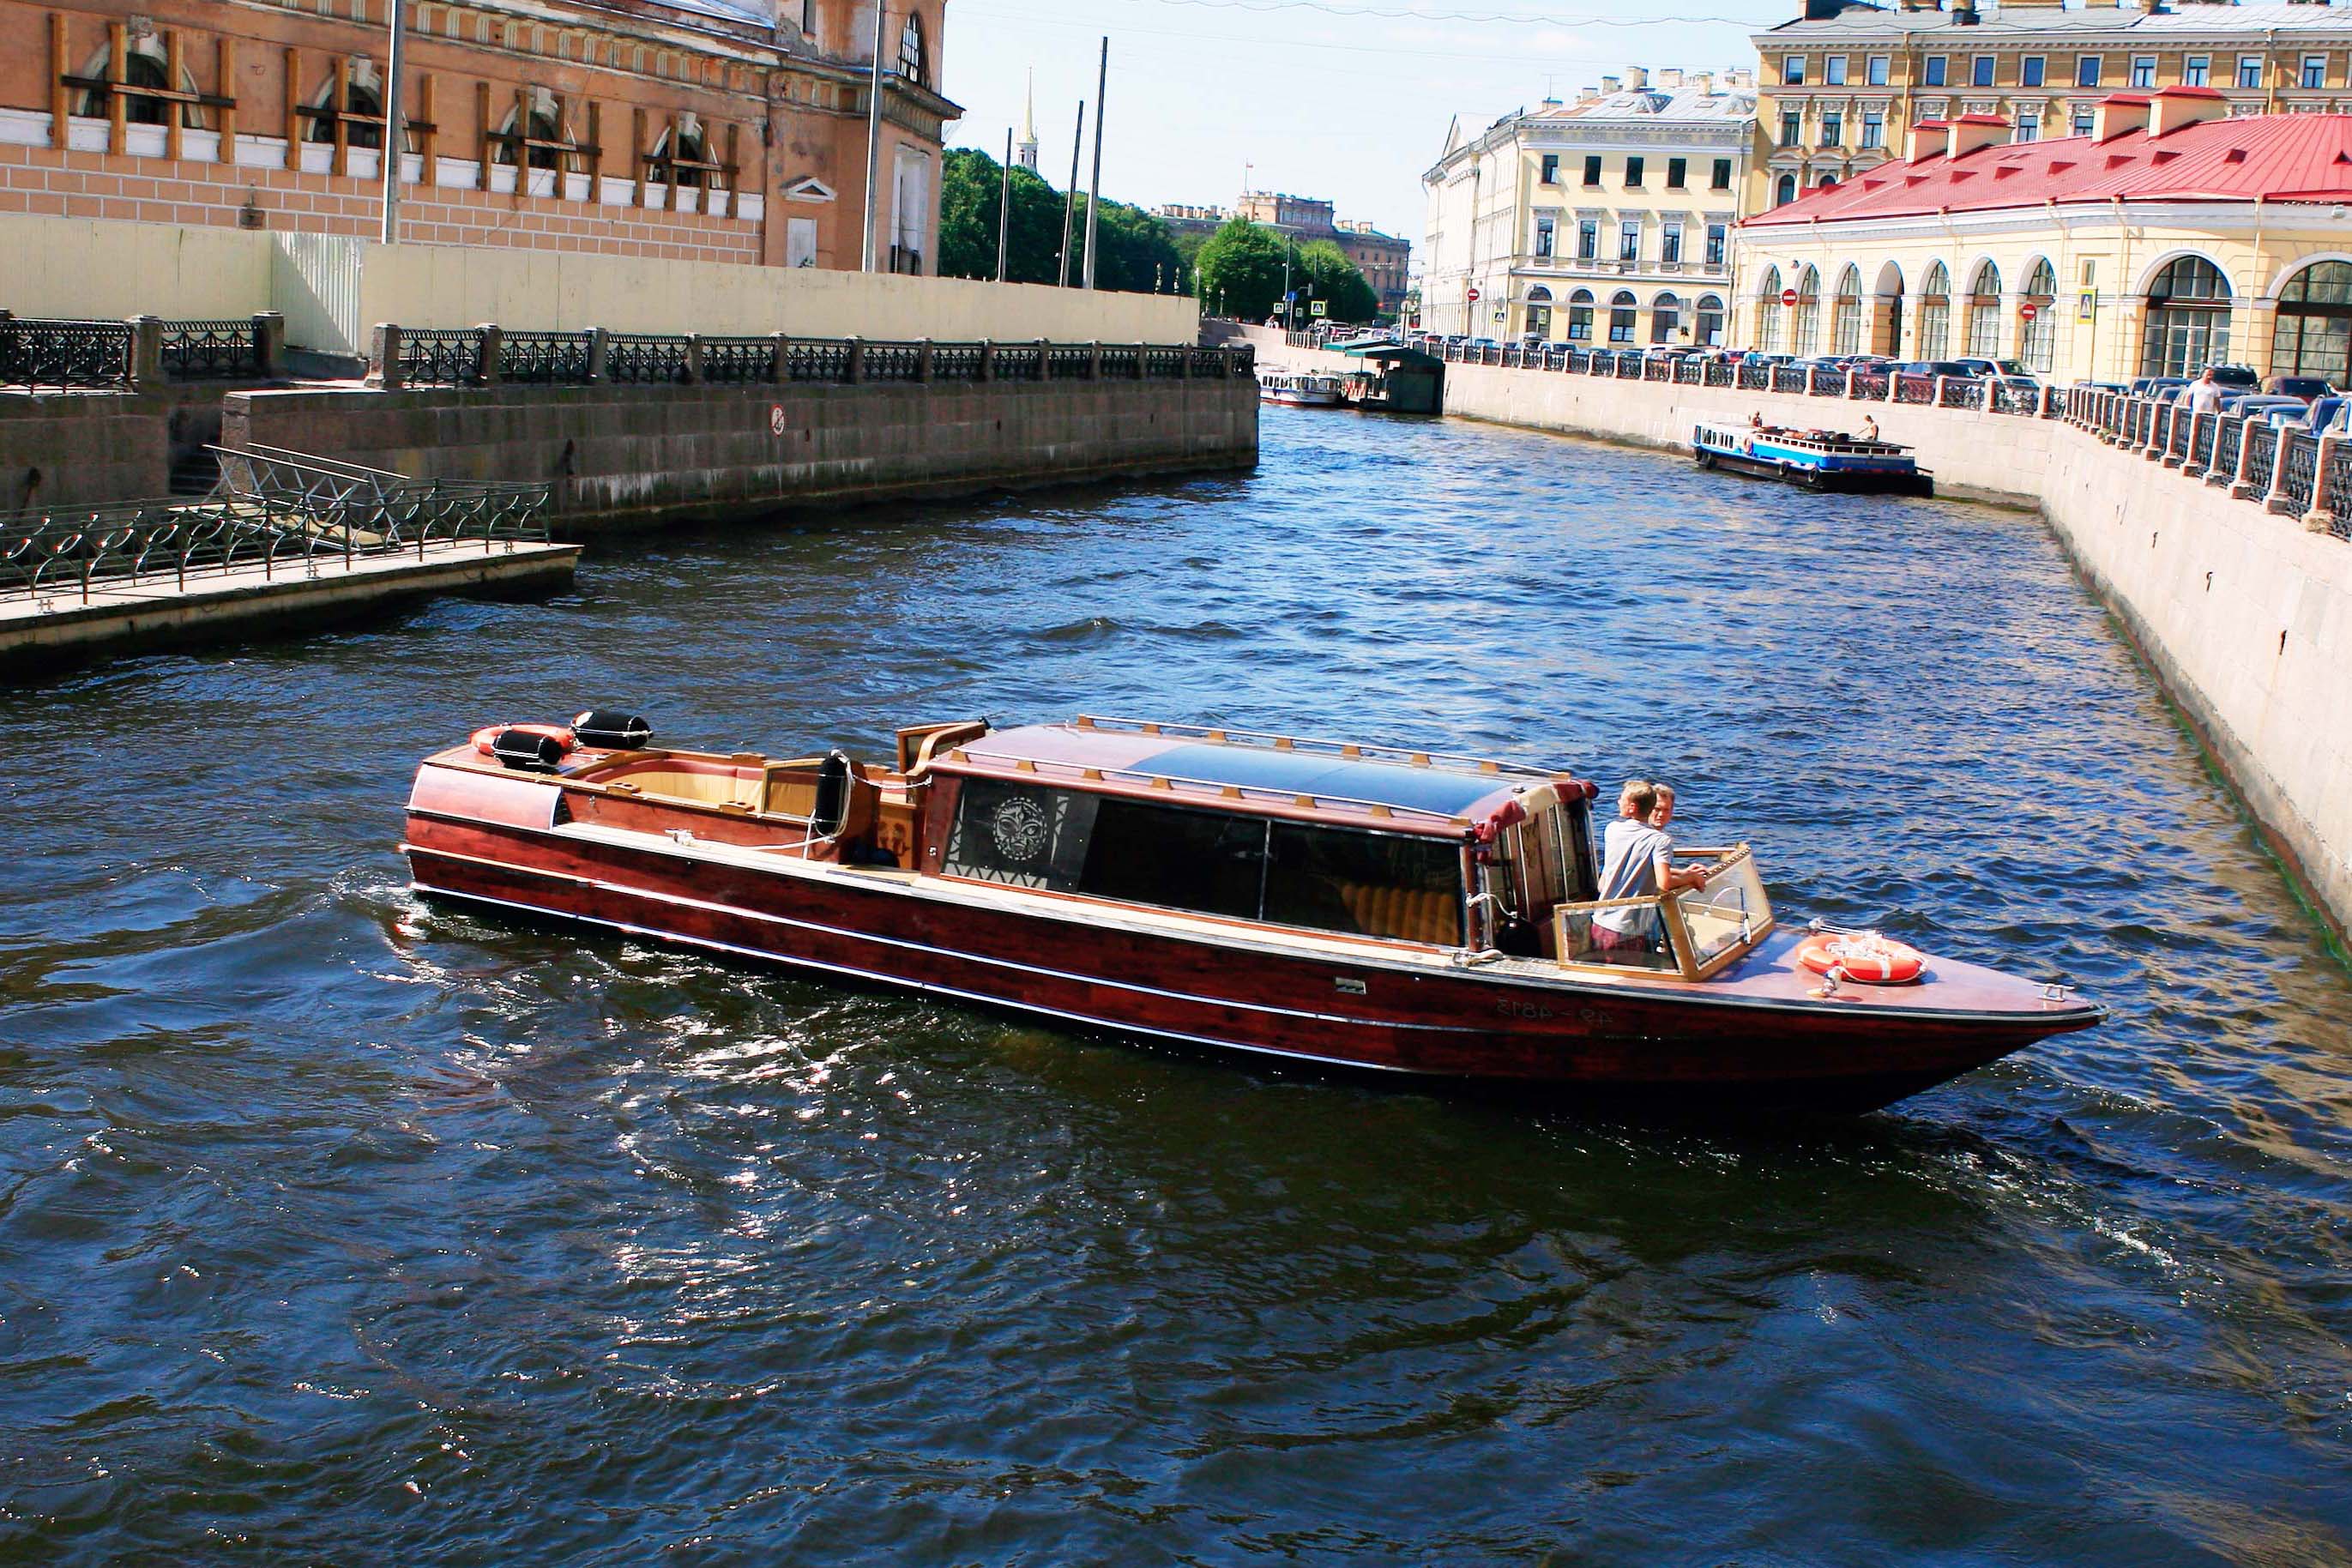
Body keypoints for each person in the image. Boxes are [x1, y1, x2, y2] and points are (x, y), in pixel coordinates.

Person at [1590, 781, 1710, 962]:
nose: (1661, 815)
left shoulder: (1612, 829)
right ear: (1648, 807)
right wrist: (1691, 877)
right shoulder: (1659, 840)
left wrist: (1682, 873)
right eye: (1656, 808)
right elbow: (1664, 882)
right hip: (1629, 927)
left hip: (1601, 920)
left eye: (1666, 810)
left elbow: (1637, 866)